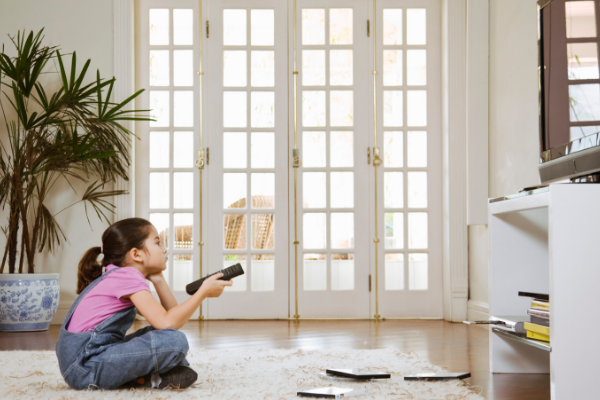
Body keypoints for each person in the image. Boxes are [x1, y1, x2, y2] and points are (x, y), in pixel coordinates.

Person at [55, 218, 232, 390]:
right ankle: (153, 376)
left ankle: (151, 378)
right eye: (158, 243)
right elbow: (167, 322)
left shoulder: (119, 274)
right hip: (84, 367)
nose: (164, 249)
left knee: (166, 335)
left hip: (87, 361)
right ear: (136, 254)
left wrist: (158, 279)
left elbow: (172, 318)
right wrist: (202, 293)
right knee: (175, 342)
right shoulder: (126, 276)